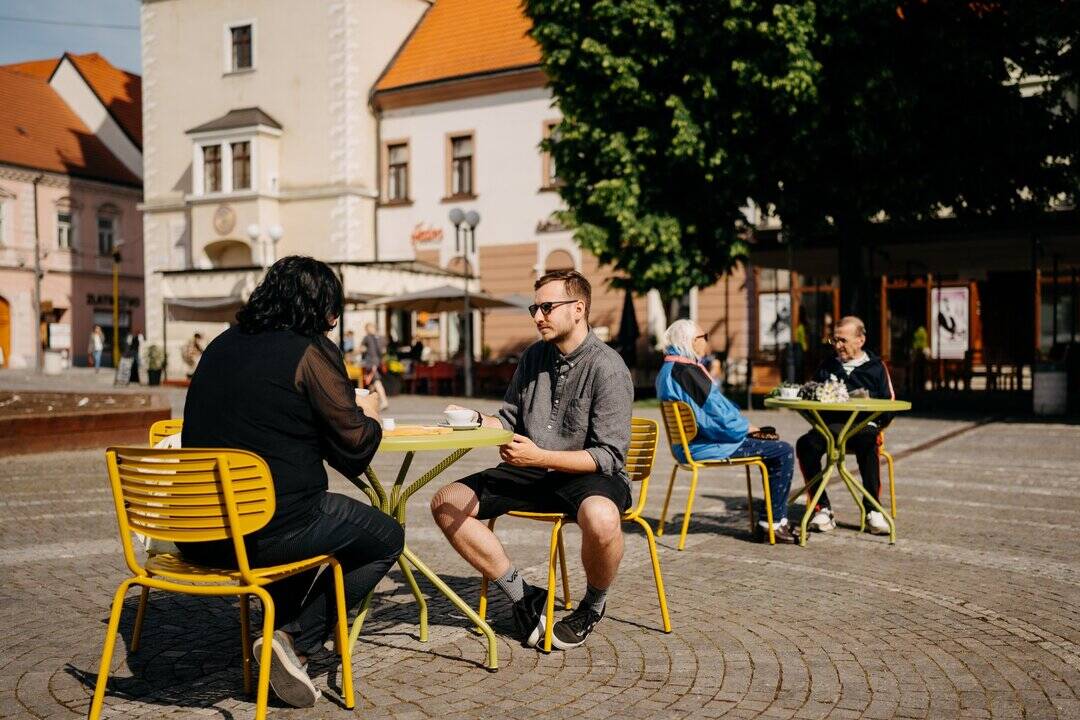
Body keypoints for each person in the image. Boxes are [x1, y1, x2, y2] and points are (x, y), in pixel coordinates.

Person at [177, 256, 404, 708]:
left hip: (197, 530)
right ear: (321, 310)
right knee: (385, 536)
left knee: (300, 520)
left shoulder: (220, 346)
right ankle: (295, 640)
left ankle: (276, 640)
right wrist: (372, 414)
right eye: (332, 311)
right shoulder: (311, 351)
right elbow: (356, 449)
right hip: (264, 531)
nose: (335, 322)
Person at [430, 269, 633, 651]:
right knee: (446, 503)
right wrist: (474, 420)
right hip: (533, 470)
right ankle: (524, 595)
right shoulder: (534, 356)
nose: (538, 316)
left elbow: (608, 455)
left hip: (589, 474)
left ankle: (592, 605)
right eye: (534, 307)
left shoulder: (607, 367)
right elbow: (508, 420)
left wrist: (539, 455)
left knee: (603, 519)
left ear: (578, 308)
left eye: (547, 307)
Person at [656, 320, 797, 543]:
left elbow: (712, 413)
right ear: (693, 341)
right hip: (705, 445)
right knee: (782, 451)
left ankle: (770, 520)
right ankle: (772, 523)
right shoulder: (687, 372)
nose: (707, 343)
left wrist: (743, 427)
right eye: (705, 337)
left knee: (771, 448)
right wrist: (746, 429)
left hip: (689, 444)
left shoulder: (669, 369)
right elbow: (715, 419)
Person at [795, 315, 896, 535]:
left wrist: (874, 420)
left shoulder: (877, 367)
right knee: (805, 444)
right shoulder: (828, 366)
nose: (838, 346)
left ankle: (873, 510)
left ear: (860, 340)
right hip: (829, 427)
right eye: (835, 340)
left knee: (869, 443)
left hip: (862, 428)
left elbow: (890, 405)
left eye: (843, 340)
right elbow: (809, 395)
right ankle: (822, 509)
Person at [360, 323, 389, 410]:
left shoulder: (367, 338)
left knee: (376, 382)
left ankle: (384, 401)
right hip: (378, 363)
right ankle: (369, 403)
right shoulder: (382, 338)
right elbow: (384, 351)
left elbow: (361, 348)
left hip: (370, 363)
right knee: (372, 384)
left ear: (368, 329)